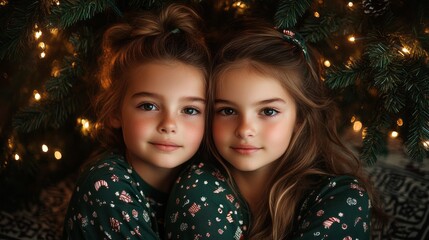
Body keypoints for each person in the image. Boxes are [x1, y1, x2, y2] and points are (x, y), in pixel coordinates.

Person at [165, 18, 384, 239]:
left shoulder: (341, 197)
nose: (245, 129)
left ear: (299, 117)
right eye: (228, 111)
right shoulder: (198, 186)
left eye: (268, 111)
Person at [63, 3, 210, 239]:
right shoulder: (105, 185)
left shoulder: (206, 183)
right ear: (115, 112)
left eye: (190, 110)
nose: (169, 124)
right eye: (148, 106)